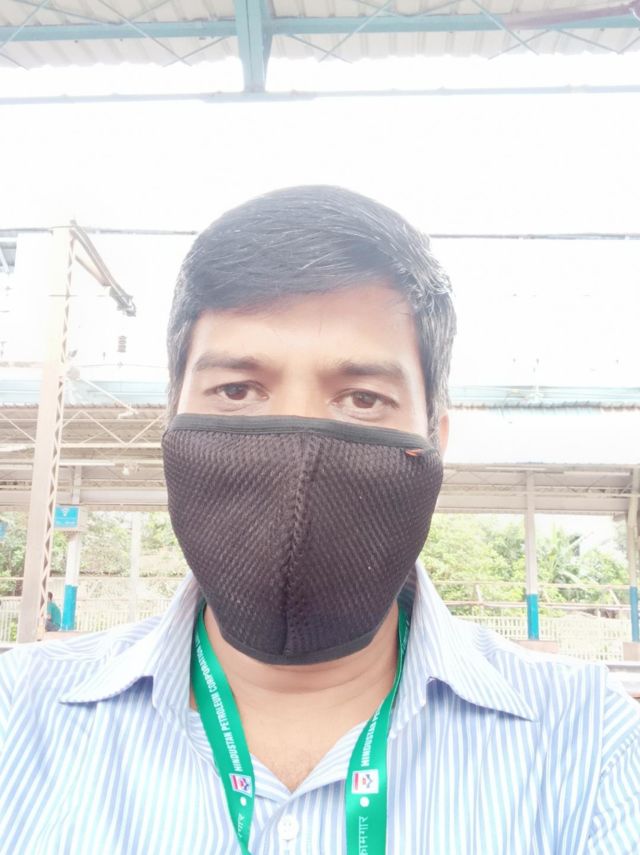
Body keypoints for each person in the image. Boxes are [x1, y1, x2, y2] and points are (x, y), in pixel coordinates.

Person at [0, 186, 638, 854]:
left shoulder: (590, 747)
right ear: (173, 420)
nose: (297, 447)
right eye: (237, 390)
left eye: (362, 398)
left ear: (435, 440)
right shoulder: (19, 714)